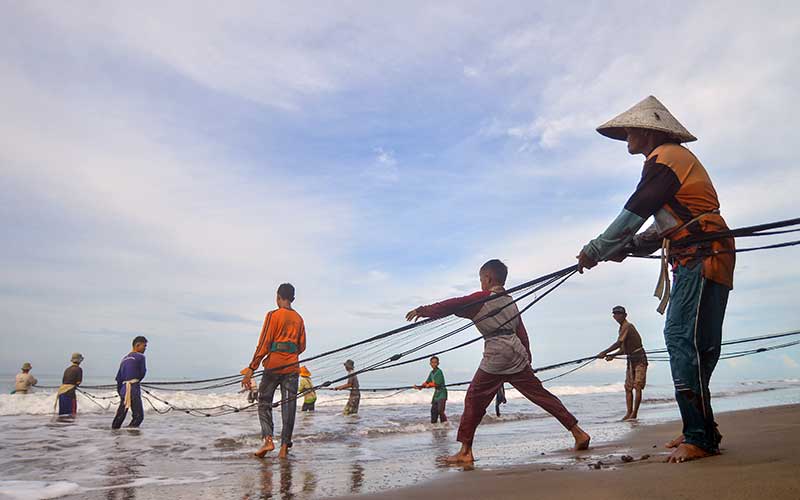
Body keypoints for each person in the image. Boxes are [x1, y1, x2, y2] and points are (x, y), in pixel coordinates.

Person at [576, 96, 735, 463]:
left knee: (680, 337)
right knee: (701, 344)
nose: (627, 135)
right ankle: (701, 428)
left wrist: (597, 249)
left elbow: (636, 210)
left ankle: (699, 435)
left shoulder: (665, 158)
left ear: (648, 131)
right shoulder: (671, 162)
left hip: (701, 255)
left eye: (631, 129)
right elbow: (657, 229)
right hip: (706, 251)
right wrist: (627, 245)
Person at [406, 259, 590, 464]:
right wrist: (527, 358)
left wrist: (422, 310)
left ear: (488, 278)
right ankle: (578, 433)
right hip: (516, 353)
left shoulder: (482, 298)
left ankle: (465, 452)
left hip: (496, 353)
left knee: (474, 398)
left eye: (481, 279)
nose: (481, 284)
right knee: (540, 395)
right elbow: (522, 333)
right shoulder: (511, 301)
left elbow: (452, 304)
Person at [241, 283, 307, 459]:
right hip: (292, 367)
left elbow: (263, 343)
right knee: (289, 407)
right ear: (292, 299)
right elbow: (302, 346)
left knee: (263, 402)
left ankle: (268, 440)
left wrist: (251, 368)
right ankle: (284, 448)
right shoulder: (299, 319)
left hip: (273, 366)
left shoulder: (272, 315)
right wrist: (289, 354)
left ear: (278, 297)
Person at [596, 306, 648, 421]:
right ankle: (628, 412)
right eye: (615, 314)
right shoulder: (621, 329)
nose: (617, 316)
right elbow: (623, 349)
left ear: (625, 315)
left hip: (640, 359)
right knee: (628, 387)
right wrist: (613, 355)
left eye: (619, 313)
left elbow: (619, 343)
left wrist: (604, 352)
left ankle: (634, 413)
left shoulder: (627, 326)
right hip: (630, 359)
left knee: (637, 386)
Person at [112, 336, 148, 429]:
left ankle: (115, 434)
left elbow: (119, 378)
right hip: (133, 388)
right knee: (138, 416)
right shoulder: (140, 357)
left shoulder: (124, 359)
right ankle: (131, 436)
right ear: (137, 345)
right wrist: (136, 382)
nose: (145, 348)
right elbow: (142, 373)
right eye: (144, 346)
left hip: (124, 389)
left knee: (120, 415)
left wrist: (120, 392)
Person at [414, 356, 448, 423]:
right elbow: (427, 382)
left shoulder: (439, 372)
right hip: (436, 394)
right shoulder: (431, 373)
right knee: (433, 411)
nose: (433, 364)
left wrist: (428, 385)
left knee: (440, 411)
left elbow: (437, 384)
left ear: (438, 363)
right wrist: (419, 386)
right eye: (432, 362)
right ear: (430, 363)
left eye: (435, 362)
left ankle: (445, 424)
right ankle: (434, 426)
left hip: (442, 393)